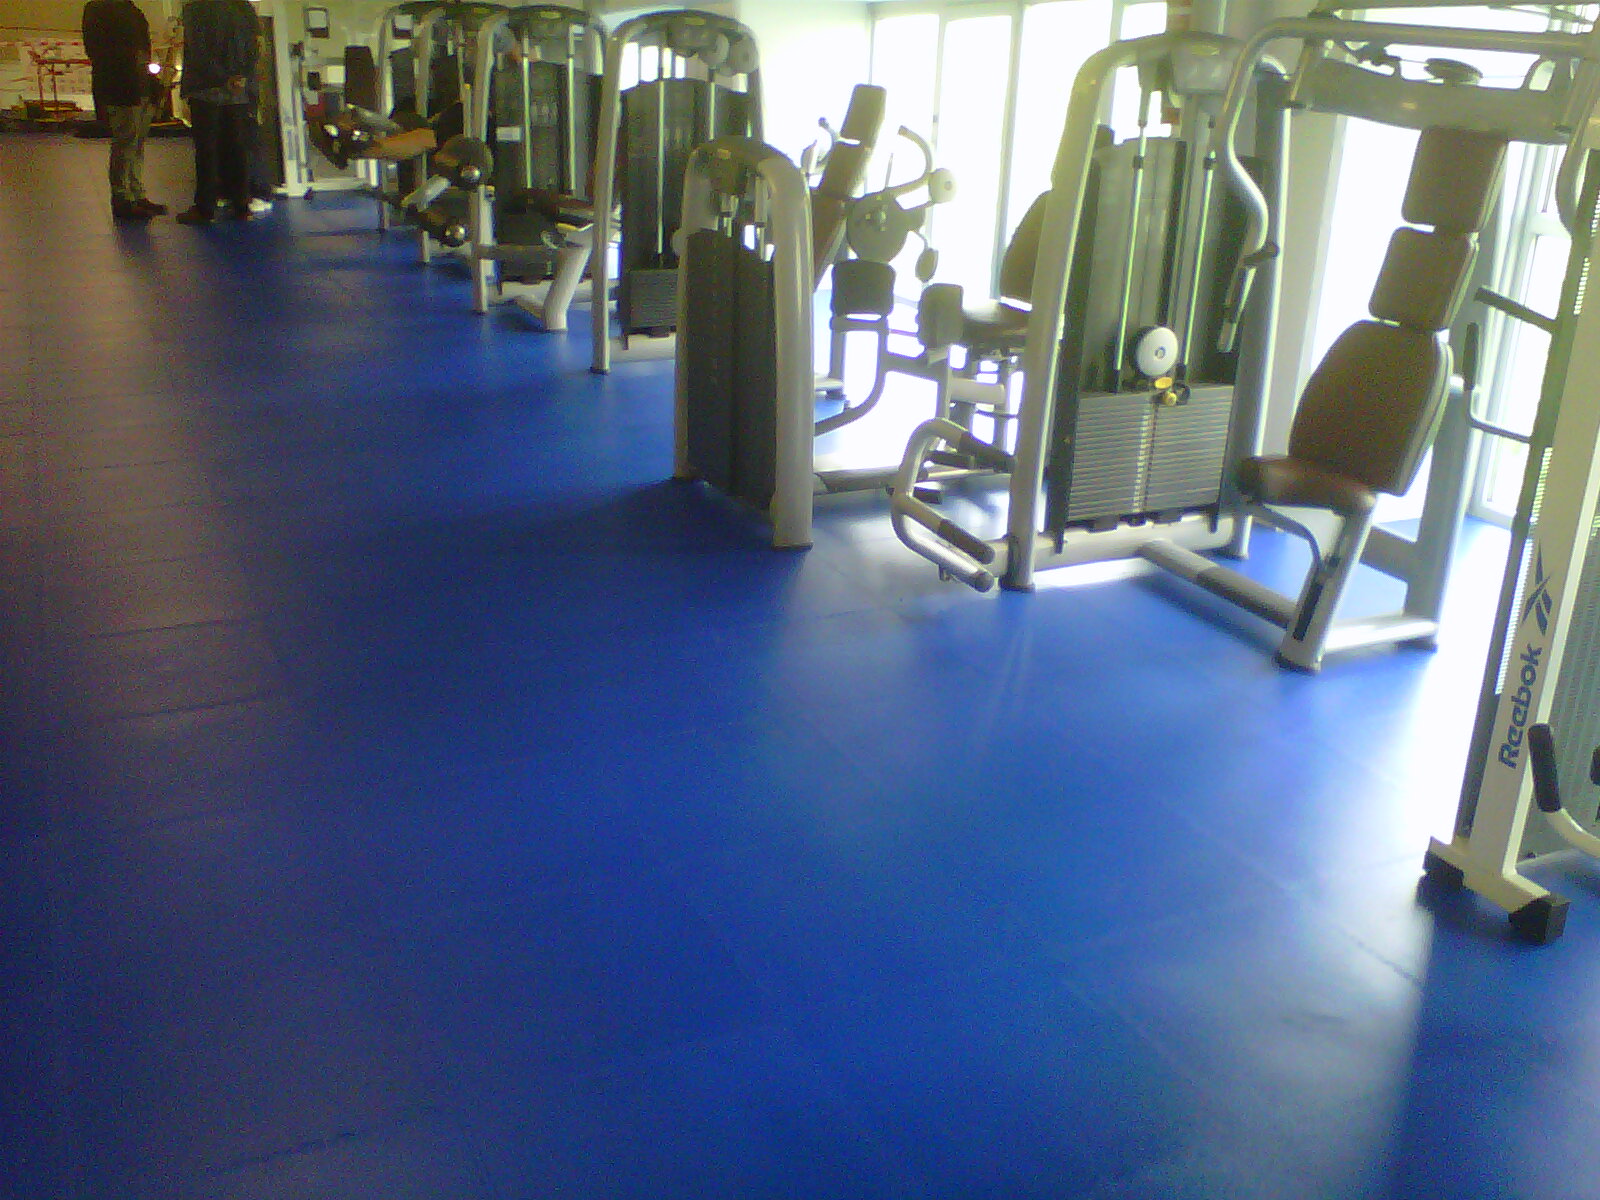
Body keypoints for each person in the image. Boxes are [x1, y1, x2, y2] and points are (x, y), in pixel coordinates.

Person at [175, 0, 259, 224]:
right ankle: (241, 205)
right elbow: (254, 46)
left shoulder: (196, 8)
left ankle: (206, 207)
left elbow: (198, 51)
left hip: (206, 89)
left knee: (207, 150)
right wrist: (241, 77)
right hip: (238, 91)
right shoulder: (242, 6)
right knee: (237, 148)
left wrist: (223, 78)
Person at [82, 0, 166, 221]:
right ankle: (122, 198)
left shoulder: (132, 10)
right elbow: (96, 50)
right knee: (125, 142)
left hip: (140, 86)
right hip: (120, 87)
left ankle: (136, 194)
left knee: (136, 143)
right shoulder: (99, 9)